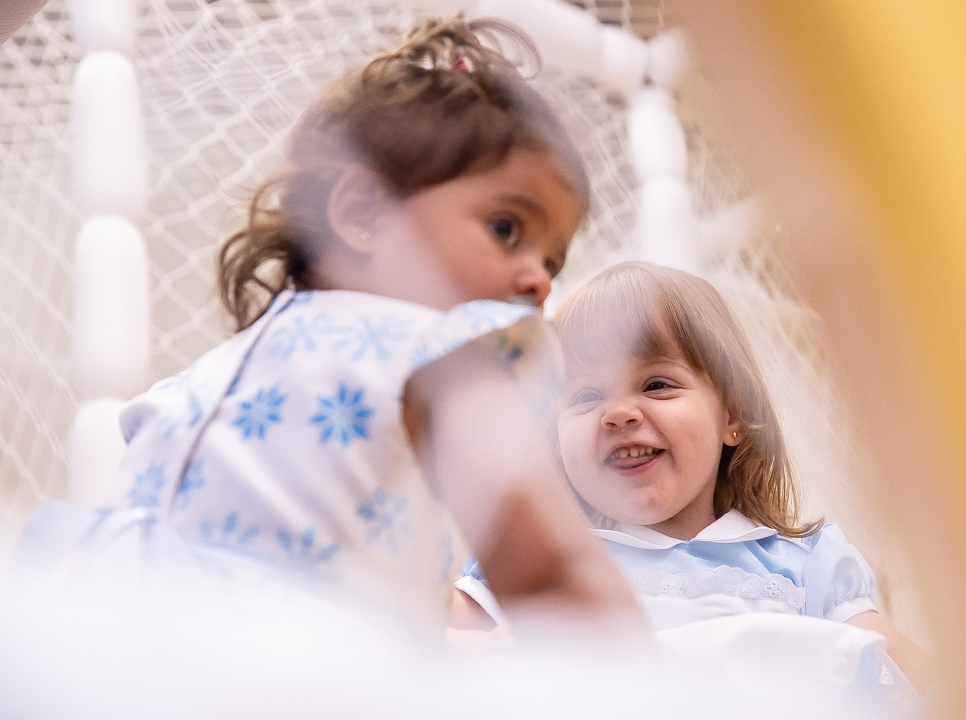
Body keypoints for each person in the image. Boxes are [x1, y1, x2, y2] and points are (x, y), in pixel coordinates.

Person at [17, 17, 645, 642]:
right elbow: (546, 573)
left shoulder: (438, 360)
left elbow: (543, 568)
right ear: (363, 214)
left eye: (553, 261)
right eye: (507, 228)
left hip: (202, 662)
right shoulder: (424, 359)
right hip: (202, 658)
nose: (538, 279)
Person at [458, 261, 935, 692]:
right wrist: (480, 652)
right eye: (584, 397)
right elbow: (420, 642)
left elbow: (924, 678)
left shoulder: (802, 565)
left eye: (656, 384)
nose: (619, 413)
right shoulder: (537, 559)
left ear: (734, 414)